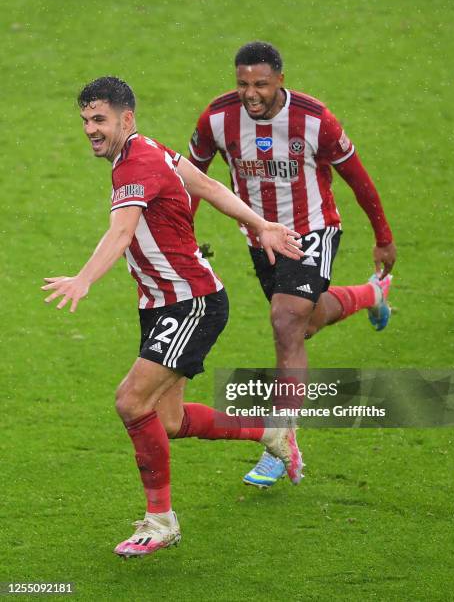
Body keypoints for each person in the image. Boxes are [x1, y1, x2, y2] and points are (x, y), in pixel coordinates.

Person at [42, 77, 305, 558]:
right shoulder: (147, 150)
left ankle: (160, 520)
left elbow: (122, 234)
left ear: (126, 118)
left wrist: (83, 279)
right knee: (170, 420)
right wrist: (260, 223)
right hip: (165, 305)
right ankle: (271, 431)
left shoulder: (135, 164)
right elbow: (205, 184)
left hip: (191, 304)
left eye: (99, 120)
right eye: (84, 121)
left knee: (130, 402)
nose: (90, 130)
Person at [187, 41, 397, 488]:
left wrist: (383, 237)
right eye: (242, 83)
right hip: (260, 236)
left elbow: (358, 179)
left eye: (260, 84)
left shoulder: (315, 120)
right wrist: (183, 236)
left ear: (281, 79)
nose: (250, 93)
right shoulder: (216, 120)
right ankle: (373, 293)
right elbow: (192, 180)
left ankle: (282, 441)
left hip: (311, 229)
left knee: (286, 320)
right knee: (304, 322)